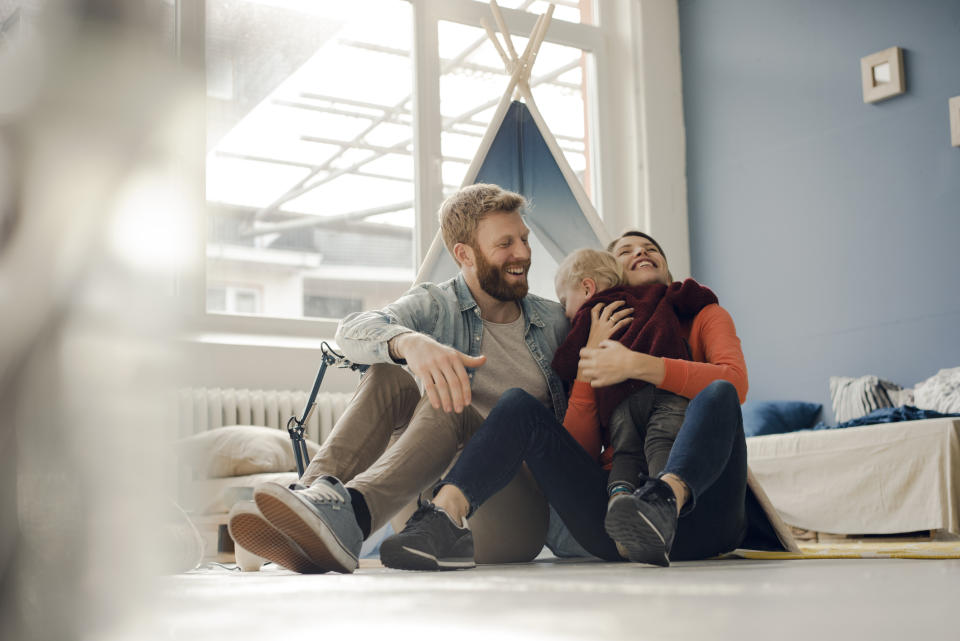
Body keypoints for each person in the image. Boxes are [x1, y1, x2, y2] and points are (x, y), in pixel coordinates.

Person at [380, 230, 785, 570]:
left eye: (650, 249)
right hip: (616, 522)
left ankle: (664, 500)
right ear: (609, 280)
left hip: (703, 516)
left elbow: (735, 382)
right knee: (520, 404)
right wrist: (591, 359)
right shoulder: (597, 333)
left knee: (718, 391)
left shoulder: (702, 315)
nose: (639, 252)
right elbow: (580, 448)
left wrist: (637, 364)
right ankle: (443, 516)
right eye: (625, 252)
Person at [227, 183, 571, 574]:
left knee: (451, 402)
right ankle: (305, 509)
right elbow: (352, 331)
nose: (523, 253)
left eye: (524, 239)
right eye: (505, 243)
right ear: (464, 255)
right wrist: (408, 343)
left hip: (512, 510)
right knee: (388, 376)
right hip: (426, 512)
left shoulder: (553, 322)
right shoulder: (438, 304)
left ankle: (350, 517)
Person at [550, 247, 718, 515]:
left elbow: (567, 361)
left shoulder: (589, 315)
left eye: (563, 302)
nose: (566, 312)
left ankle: (619, 498)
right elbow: (692, 293)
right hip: (666, 394)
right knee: (662, 443)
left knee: (625, 454)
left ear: (587, 288)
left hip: (620, 400)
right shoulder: (658, 296)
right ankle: (659, 502)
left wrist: (567, 365)